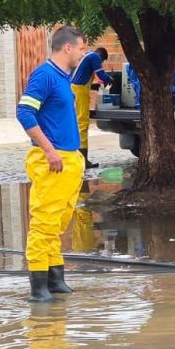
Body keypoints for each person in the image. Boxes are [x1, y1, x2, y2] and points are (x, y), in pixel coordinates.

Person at [17, 26, 87, 303]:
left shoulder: (63, 78)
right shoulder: (45, 75)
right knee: (44, 222)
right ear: (68, 47)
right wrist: (49, 150)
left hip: (69, 160)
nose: (83, 54)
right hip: (53, 161)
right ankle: (38, 287)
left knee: (58, 222)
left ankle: (55, 279)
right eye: (81, 48)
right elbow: (24, 112)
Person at [71, 47, 113, 169]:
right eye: (103, 61)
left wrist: (95, 86)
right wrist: (111, 80)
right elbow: (102, 75)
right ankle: (83, 160)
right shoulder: (95, 57)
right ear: (102, 56)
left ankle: (77, 158)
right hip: (80, 91)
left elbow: (82, 77)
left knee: (77, 122)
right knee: (83, 123)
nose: (101, 62)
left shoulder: (87, 55)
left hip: (75, 89)